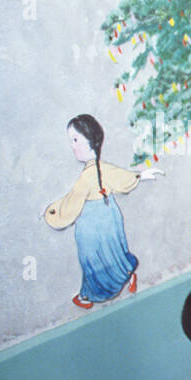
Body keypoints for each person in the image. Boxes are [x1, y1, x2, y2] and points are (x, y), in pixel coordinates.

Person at [44, 114, 162, 310]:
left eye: (75, 139)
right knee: (115, 252)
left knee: (93, 260)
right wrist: (141, 176)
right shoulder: (102, 169)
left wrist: (52, 212)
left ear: (89, 140)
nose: (72, 146)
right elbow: (123, 179)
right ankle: (128, 274)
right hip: (109, 215)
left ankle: (88, 295)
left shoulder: (87, 176)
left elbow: (71, 204)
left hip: (92, 224)